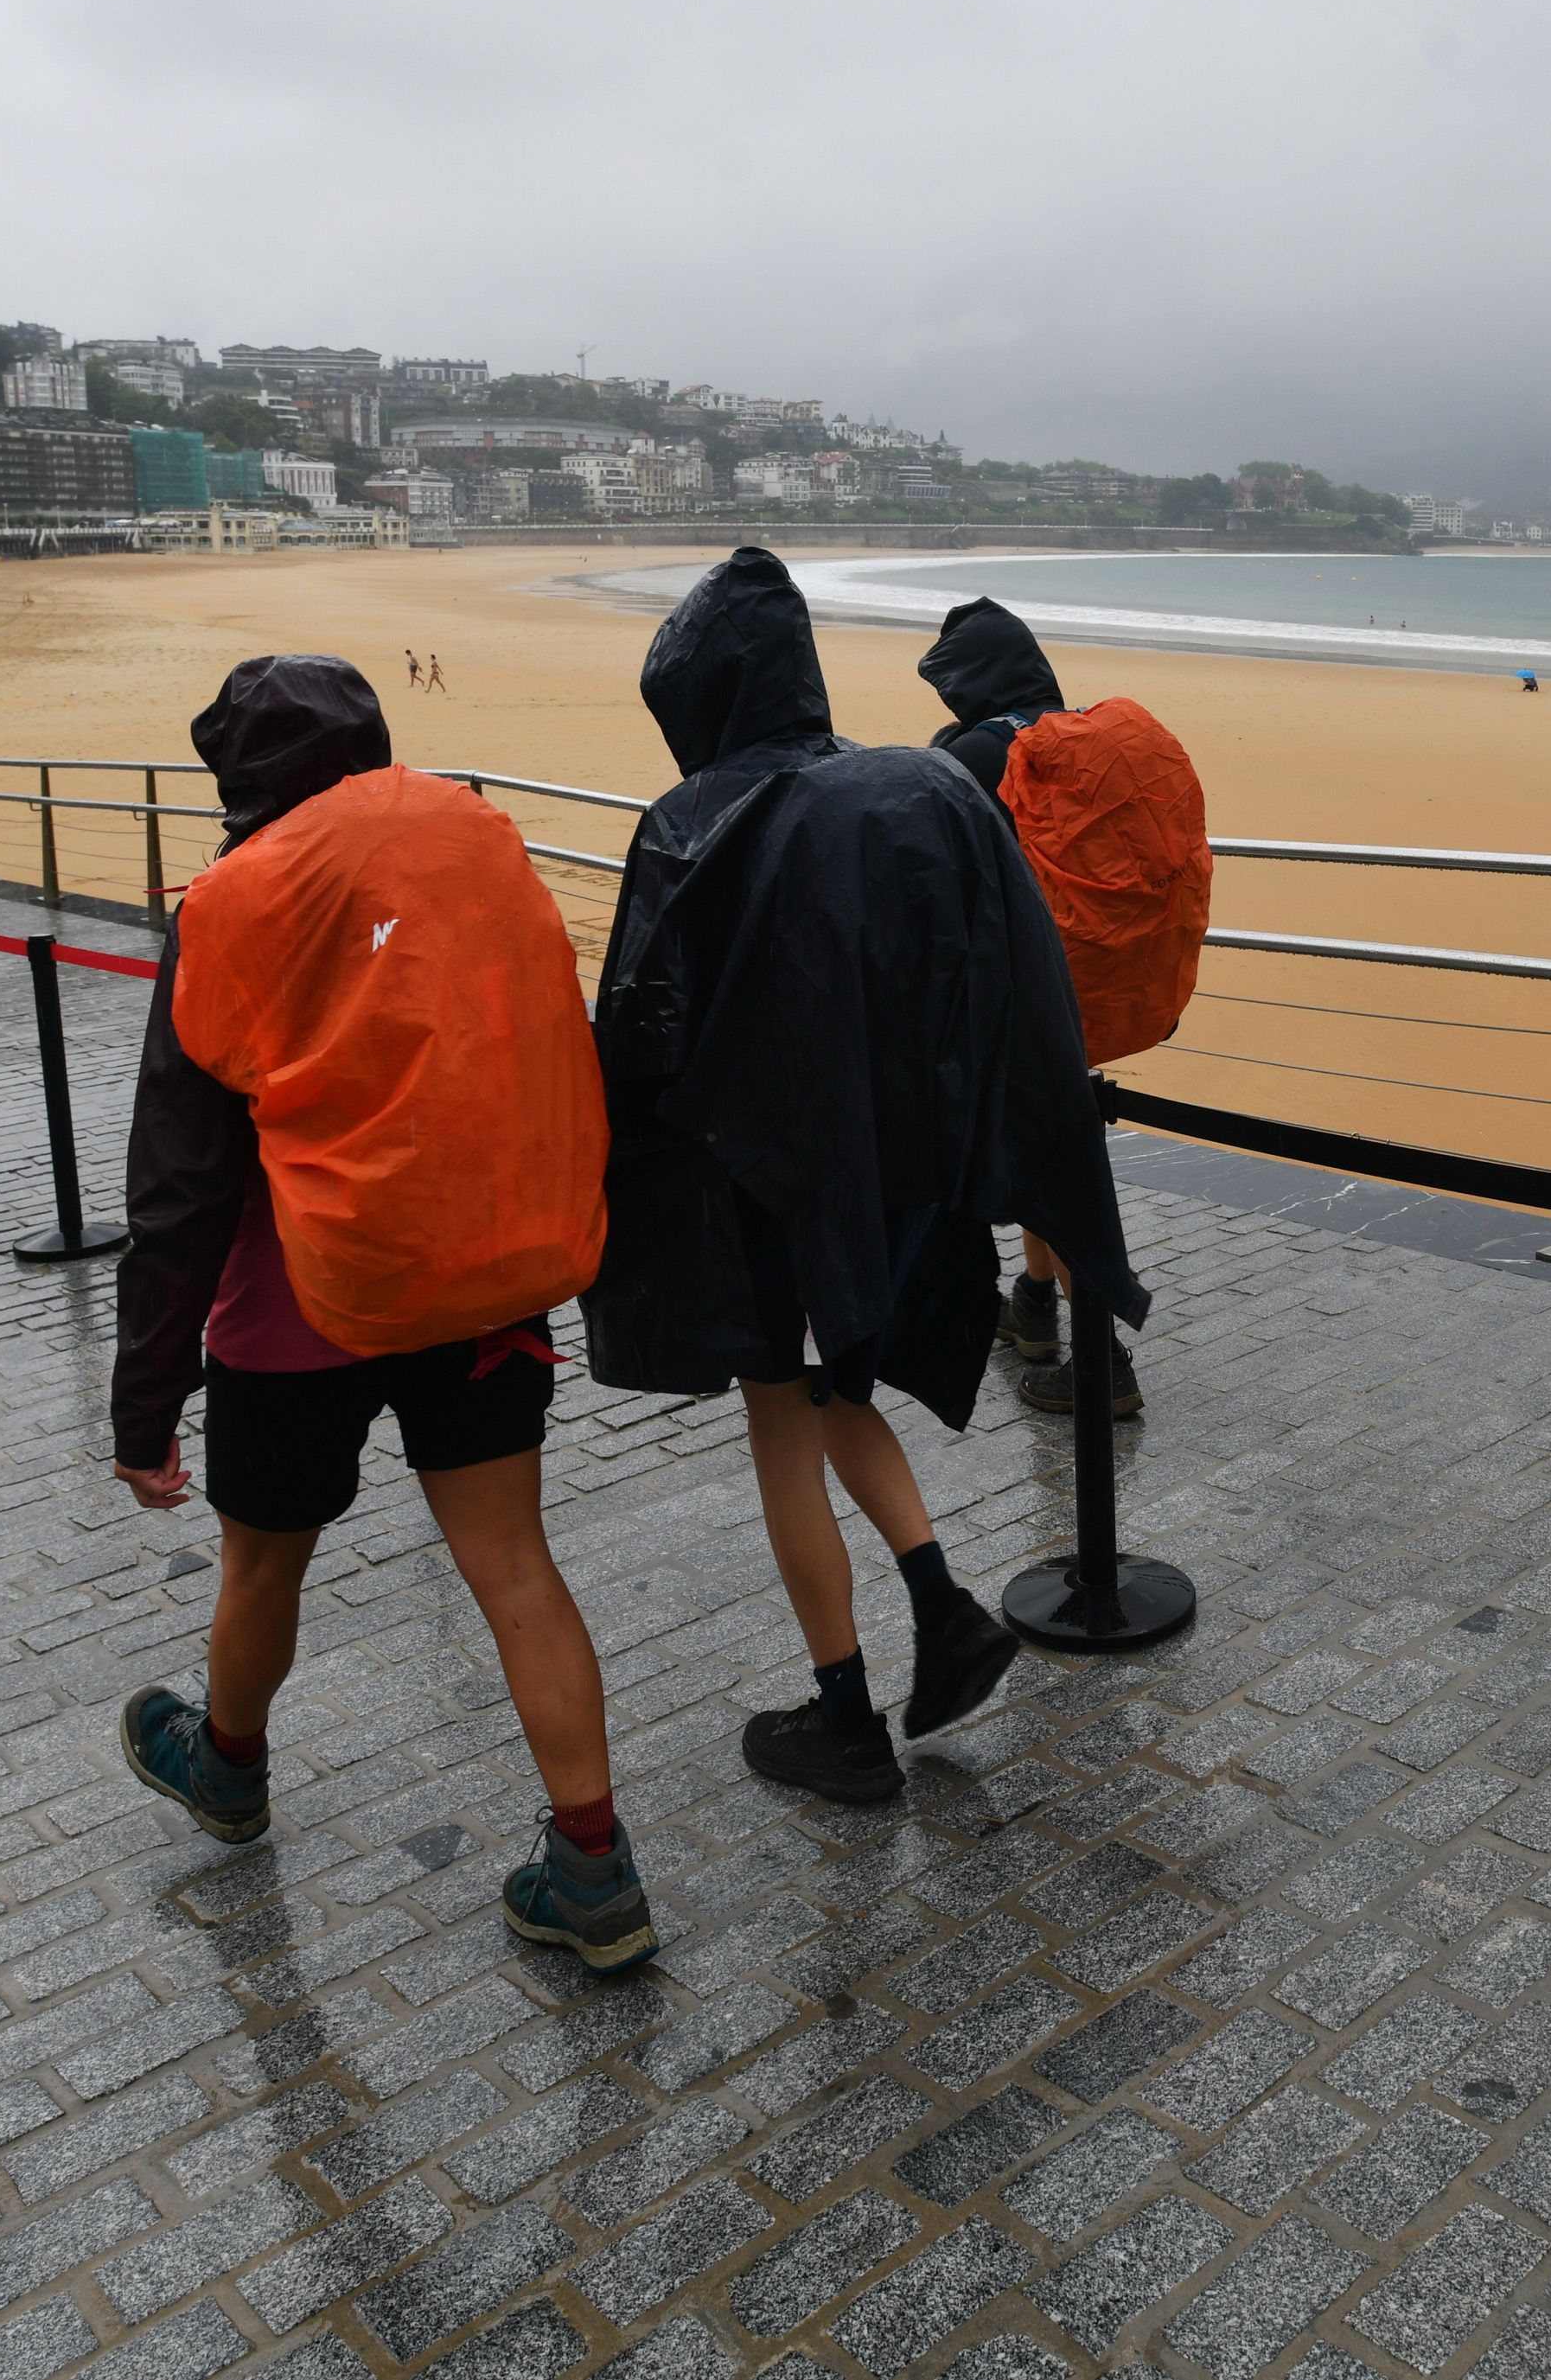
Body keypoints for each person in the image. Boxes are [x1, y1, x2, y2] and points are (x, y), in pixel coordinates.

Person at [108, 654, 650, 1968]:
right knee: (512, 1562)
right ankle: (594, 1865)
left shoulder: (230, 902)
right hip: (477, 1281)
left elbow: (182, 1178)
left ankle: (227, 1766)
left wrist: (144, 1394)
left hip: (298, 1305)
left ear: (240, 784)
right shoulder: (472, 848)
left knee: (260, 1565)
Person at [584, 551, 1145, 1804]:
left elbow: (637, 1029)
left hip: (758, 1188)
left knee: (781, 1418)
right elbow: (1010, 976)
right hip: (896, 1176)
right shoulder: (914, 788)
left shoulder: (687, 823)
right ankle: (939, 1606)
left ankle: (842, 1712)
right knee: (844, 1392)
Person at [916, 597, 1212, 1422]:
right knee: (1041, 1144)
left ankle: (1104, 1363)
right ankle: (1037, 1305)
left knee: (1052, 1160)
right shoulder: (1075, 737)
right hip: (1086, 984)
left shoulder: (977, 752)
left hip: (1017, 995)